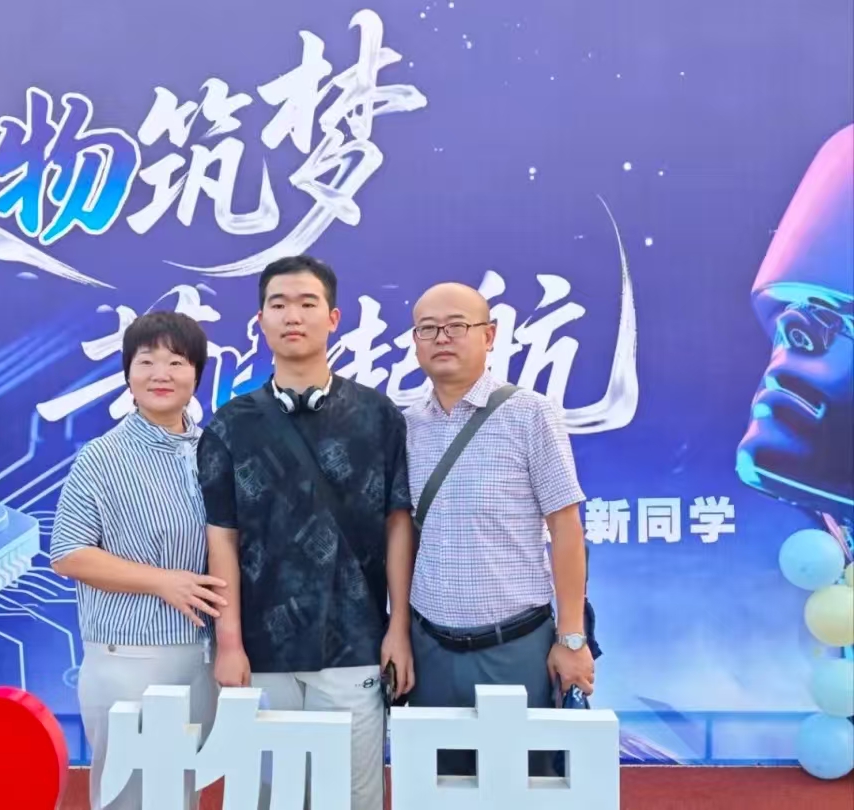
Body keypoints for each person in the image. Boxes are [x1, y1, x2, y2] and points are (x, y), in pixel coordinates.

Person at [197, 255, 415, 810]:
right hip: (261, 652)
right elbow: (222, 537)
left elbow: (398, 524)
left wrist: (398, 629)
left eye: (307, 303)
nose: (292, 316)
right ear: (261, 321)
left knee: (353, 796)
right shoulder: (230, 424)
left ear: (333, 318)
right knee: (267, 797)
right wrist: (229, 642)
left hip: (355, 644)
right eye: (278, 304)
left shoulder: (378, 416)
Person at [403, 282, 594, 777]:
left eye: (457, 326)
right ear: (415, 341)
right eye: (428, 329)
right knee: (439, 787)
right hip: (430, 650)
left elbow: (566, 528)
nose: (442, 338)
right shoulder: (406, 426)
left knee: (523, 785)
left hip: (515, 647)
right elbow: (400, 537)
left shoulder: (529, 414)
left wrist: (572, 639)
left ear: (489, 336)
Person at [50, 311, 227, 810]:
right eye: (146, 361)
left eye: (176, 361)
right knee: (128, 797)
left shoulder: (215, 451)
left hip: (203, 656)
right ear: (128, 374)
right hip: (129, 657)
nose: (160, 374)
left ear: (197, 374)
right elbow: (68, 553)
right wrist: (161, 582)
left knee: (181, 793)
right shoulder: (102, 457)